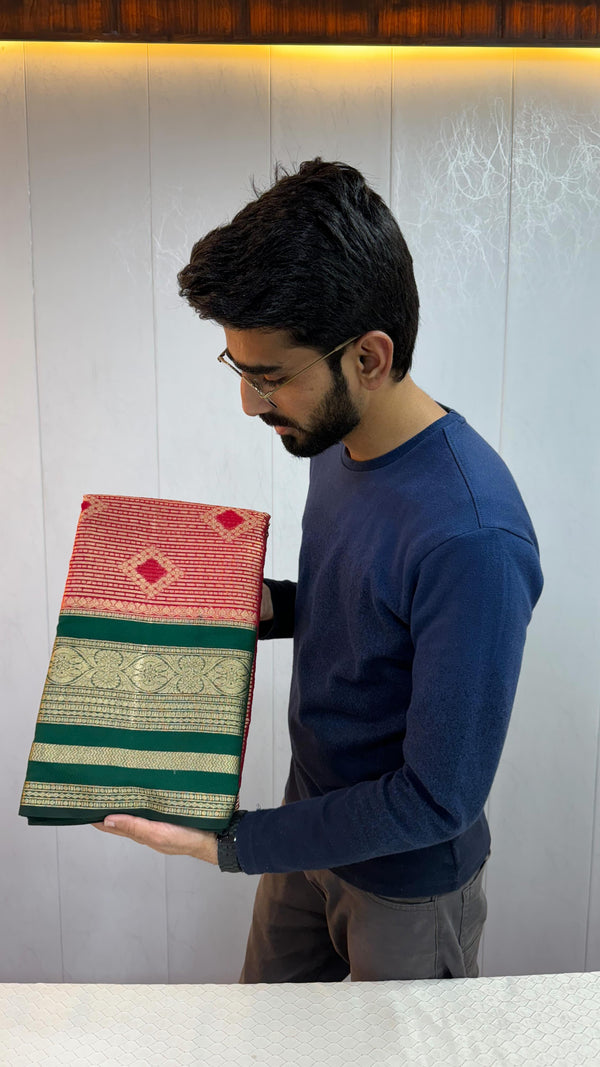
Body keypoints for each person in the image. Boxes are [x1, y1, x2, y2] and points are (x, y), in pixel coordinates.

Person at [94, 159, 544, 983]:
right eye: (241, 371)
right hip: (310, 829)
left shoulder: (475, 539)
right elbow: (368, 603)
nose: (250, 405)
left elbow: (436, 798)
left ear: (369, 358)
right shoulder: (335, 441)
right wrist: (260, 605)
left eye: (269, 378)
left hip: (406, 887)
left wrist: (231, 840)